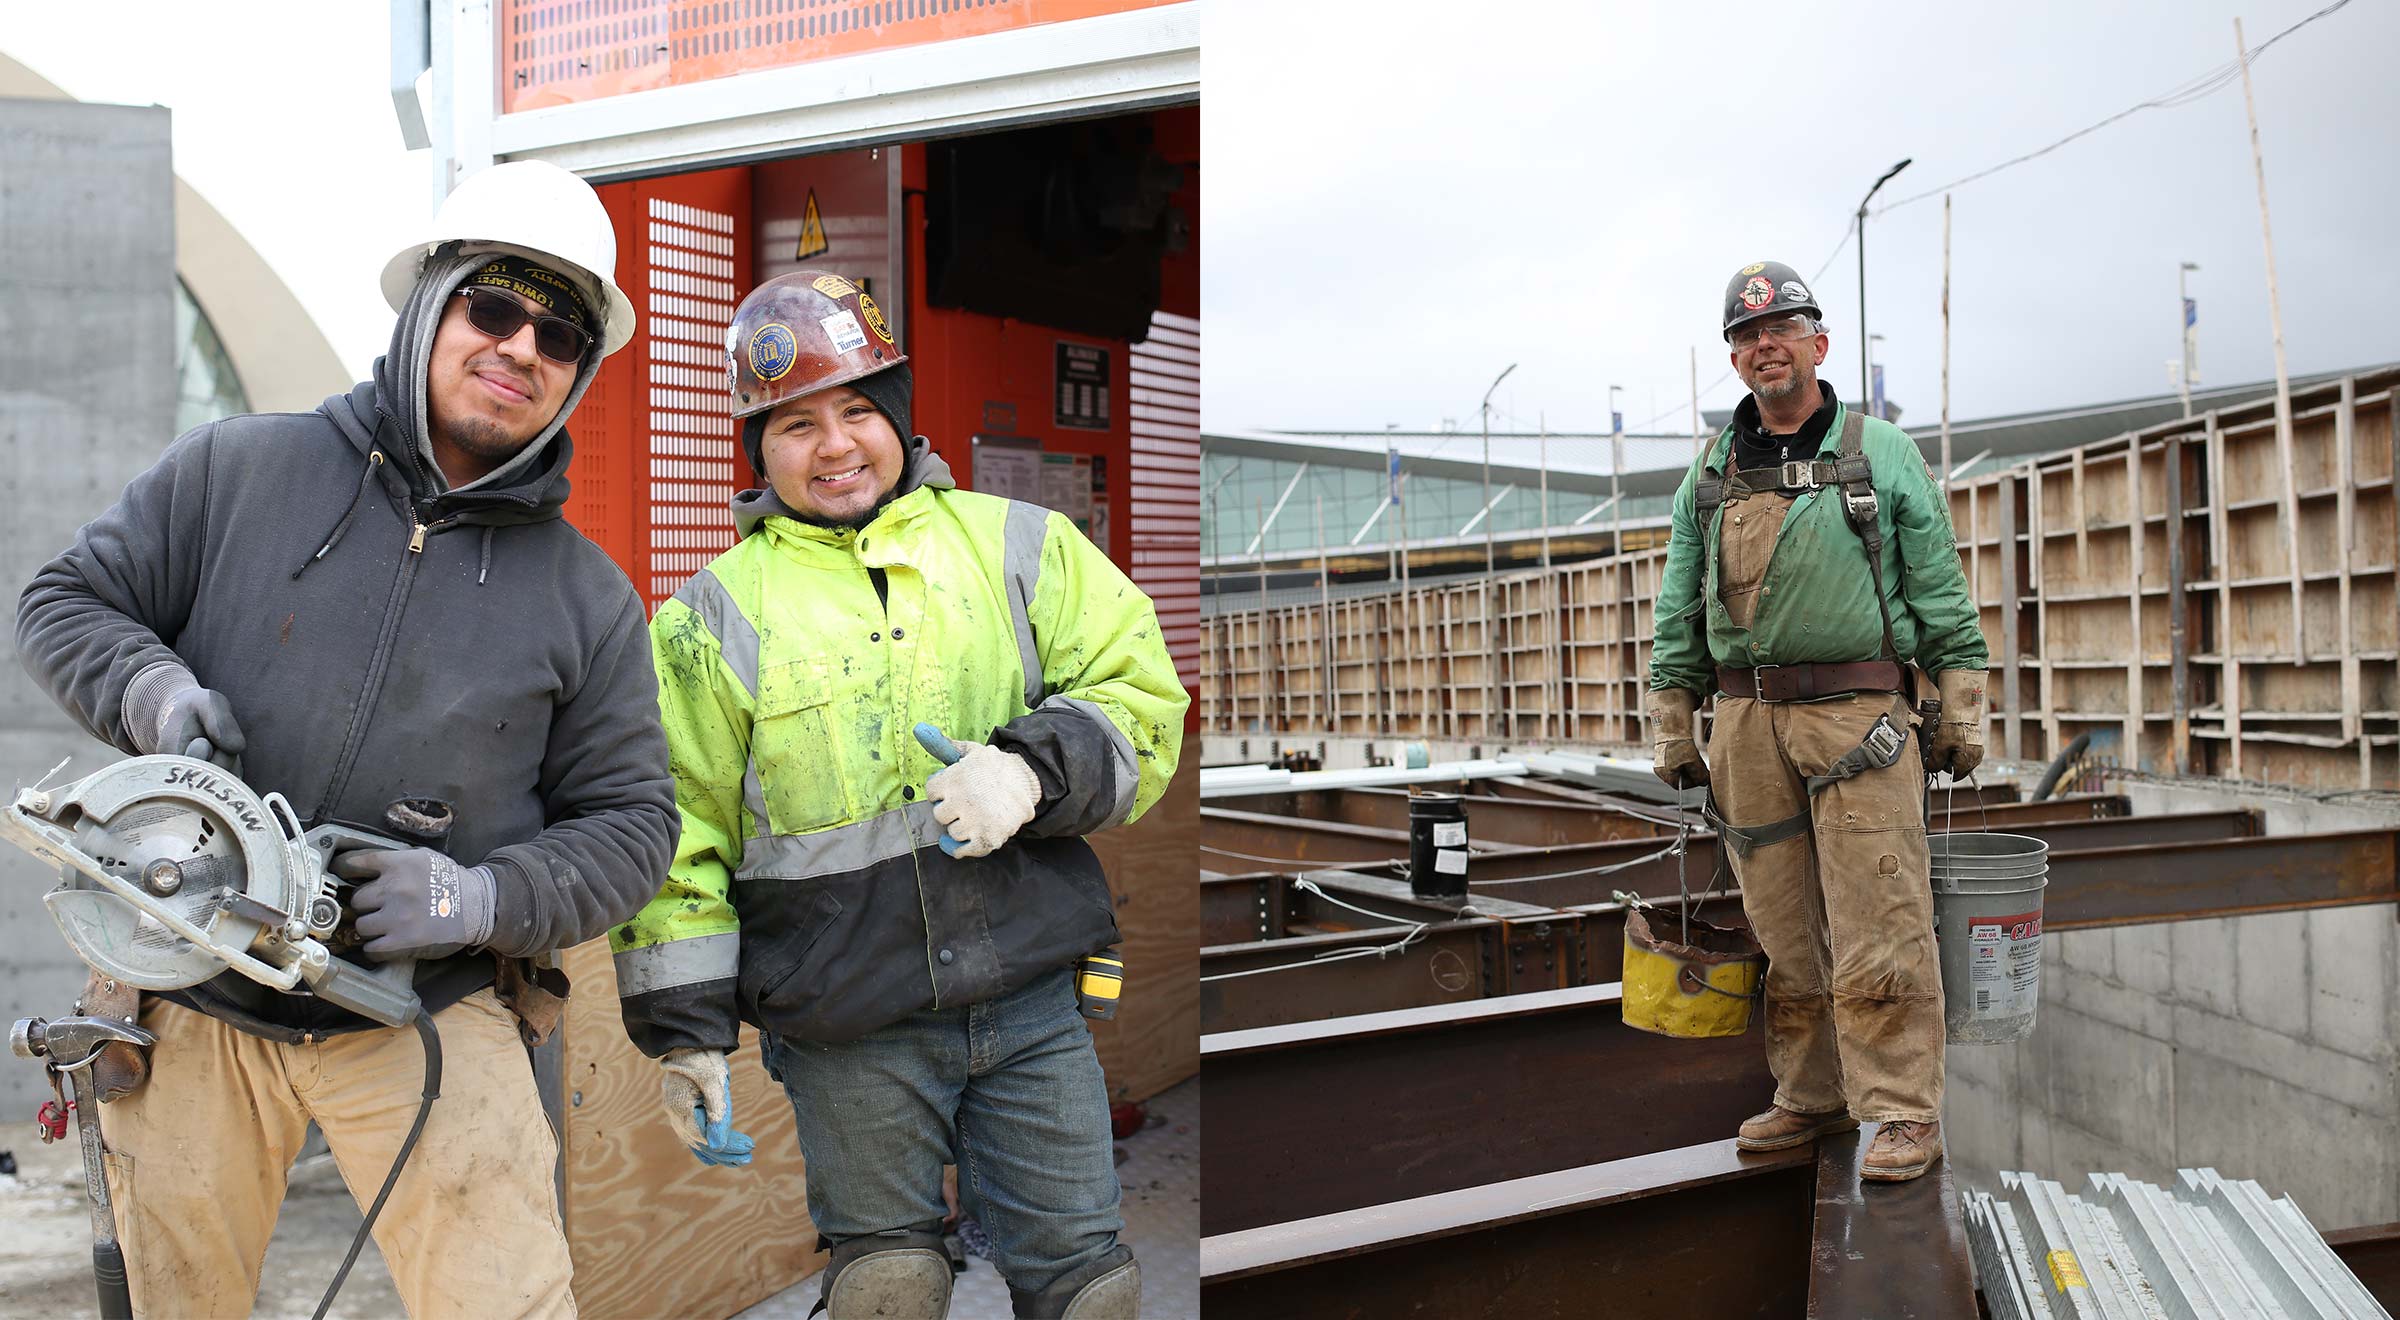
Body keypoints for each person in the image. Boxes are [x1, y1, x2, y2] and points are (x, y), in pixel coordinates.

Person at [14, 159, 677, 1314]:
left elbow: (633, 825)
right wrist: (155, 693)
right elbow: (65, 601)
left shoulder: (590, 601)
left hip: (429, 1012)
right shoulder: (238, 470)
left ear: (579, 375)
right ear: (430, 303)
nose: (521, 346)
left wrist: (484, 901)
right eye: (495, 304)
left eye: (560, 333)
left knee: (508, 1301)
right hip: (191, 983)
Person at [613, 270, 1186, 1318]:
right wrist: (686, 1032)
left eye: (859, 411)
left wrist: (1030, 768)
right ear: (757, 447)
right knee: (886, 1284)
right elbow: (676, 832)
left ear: (901, 416)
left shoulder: (1023, 547)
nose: (835, 446)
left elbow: (1141, 699)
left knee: (1088, 1286)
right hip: (848, 1028)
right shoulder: (707, 621)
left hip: (1031, 1004)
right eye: (796, 424)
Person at [1646, 259, 1987, 1184]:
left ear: (1818, 344)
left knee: (1883, 911)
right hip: (1749, 723)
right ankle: (1812, 1095)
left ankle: (1904, 1112)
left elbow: (1941, 589)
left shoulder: (1882, 454)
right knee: (1781, 923)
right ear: (1736, 358)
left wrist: (1961, 698)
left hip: (1860, 718)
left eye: (1783, 329)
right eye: (1749, 337)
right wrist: (1674, 716)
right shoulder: (1710, 476)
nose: (1766, 346)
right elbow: (1679, 604)